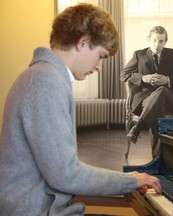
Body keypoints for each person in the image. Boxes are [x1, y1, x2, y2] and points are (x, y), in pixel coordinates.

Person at [0, 4, 161, 216]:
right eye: (101, 56)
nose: (99, 67)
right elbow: (66, 175)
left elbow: (61, 169)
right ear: (83, 42)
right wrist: (131, 180)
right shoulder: (45, 82)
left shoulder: (43, 77)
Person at [120, 26, 173, 157]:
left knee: (162, 90)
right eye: (154, 40)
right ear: (149, 39)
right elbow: (124, 75)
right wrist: (143, 78)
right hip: (144, 100)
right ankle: (157, 159)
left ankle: (137, 128)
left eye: (161, 41)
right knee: (157, 110)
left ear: (165, 42)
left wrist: (167, 79)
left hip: (167, 98)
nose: (157, 45)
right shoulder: (138, 55)